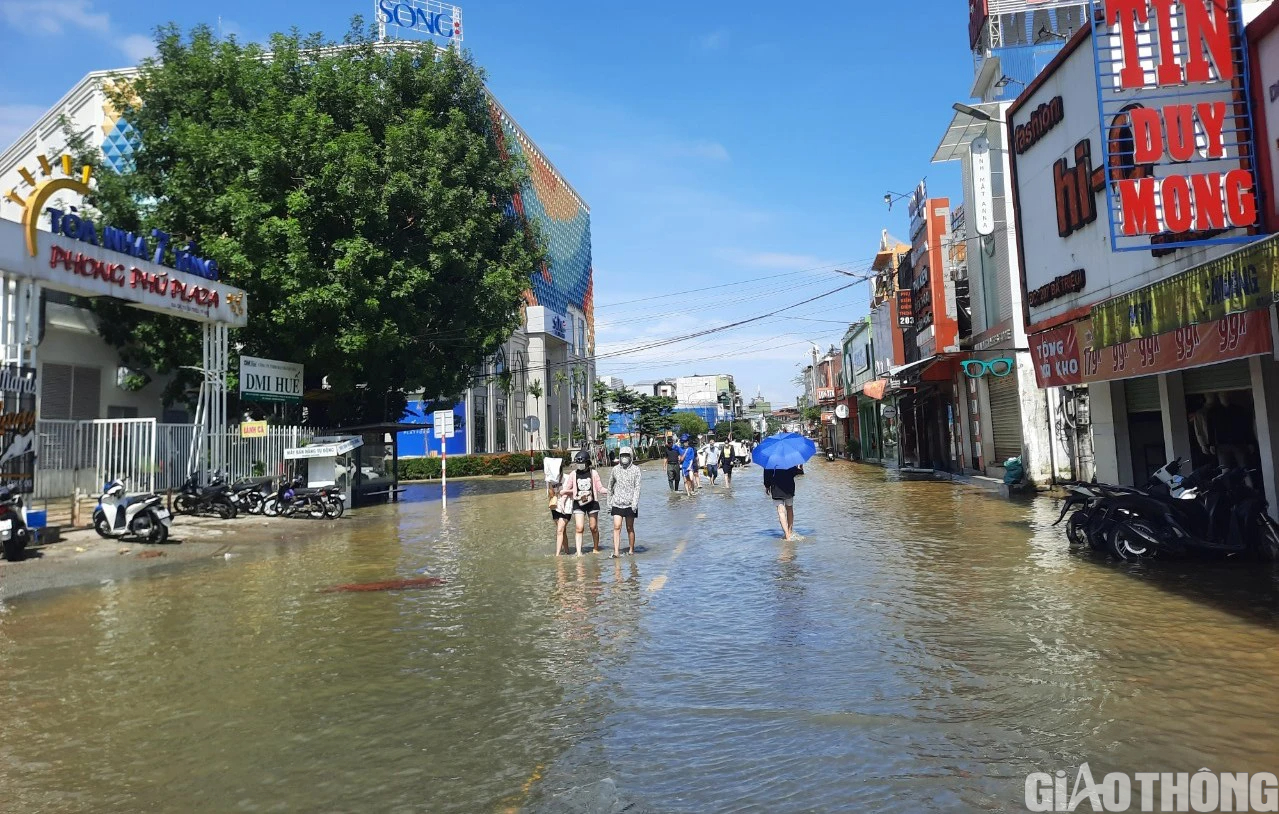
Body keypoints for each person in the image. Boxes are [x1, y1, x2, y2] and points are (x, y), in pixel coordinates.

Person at [560, 451, 608, 555]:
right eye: (578, 463)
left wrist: (610, 491)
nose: (580, 465)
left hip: (592, 503)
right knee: (579, 527)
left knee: (593, 527)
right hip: (578, 503)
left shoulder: (593, 473)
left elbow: (600, 488)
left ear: (587, 463)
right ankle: (579, 552)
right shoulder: (573, 474)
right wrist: (562, 502)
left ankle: (595, 548)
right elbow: (567, 489)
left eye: (582, 463)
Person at [608, 446, 642, 557]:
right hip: (617, 503)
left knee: (629, 527)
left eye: (627, 456)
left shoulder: (636, 470)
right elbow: (610, 486)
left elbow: (637, 488)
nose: (624, 458)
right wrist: (609, 502)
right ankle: (616, 552)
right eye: (622, 456)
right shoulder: (615, 469)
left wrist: (634, 503)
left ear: (631, 456)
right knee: (616, 526)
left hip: (630, 504)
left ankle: (631, 549)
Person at [763, 465, 801, 541]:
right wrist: (798, 469)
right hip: (789, 488)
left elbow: (767, 475)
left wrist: (767, 486)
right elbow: (794, 472)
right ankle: (790, 531)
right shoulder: (789, 461)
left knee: (781, 512)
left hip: (776, 488)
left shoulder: (770, 462)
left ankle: (787, 535)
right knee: (789, 508)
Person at [547, 462, 572, 555]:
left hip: (567, 507)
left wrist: (564, 492)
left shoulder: (568, 478)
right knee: (562, 530)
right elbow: (551, 495)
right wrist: (550, 483)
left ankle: (557, 556)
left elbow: (574, 491)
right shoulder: (550, 479)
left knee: (560, 530)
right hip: (555, 507)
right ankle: (567, 551)